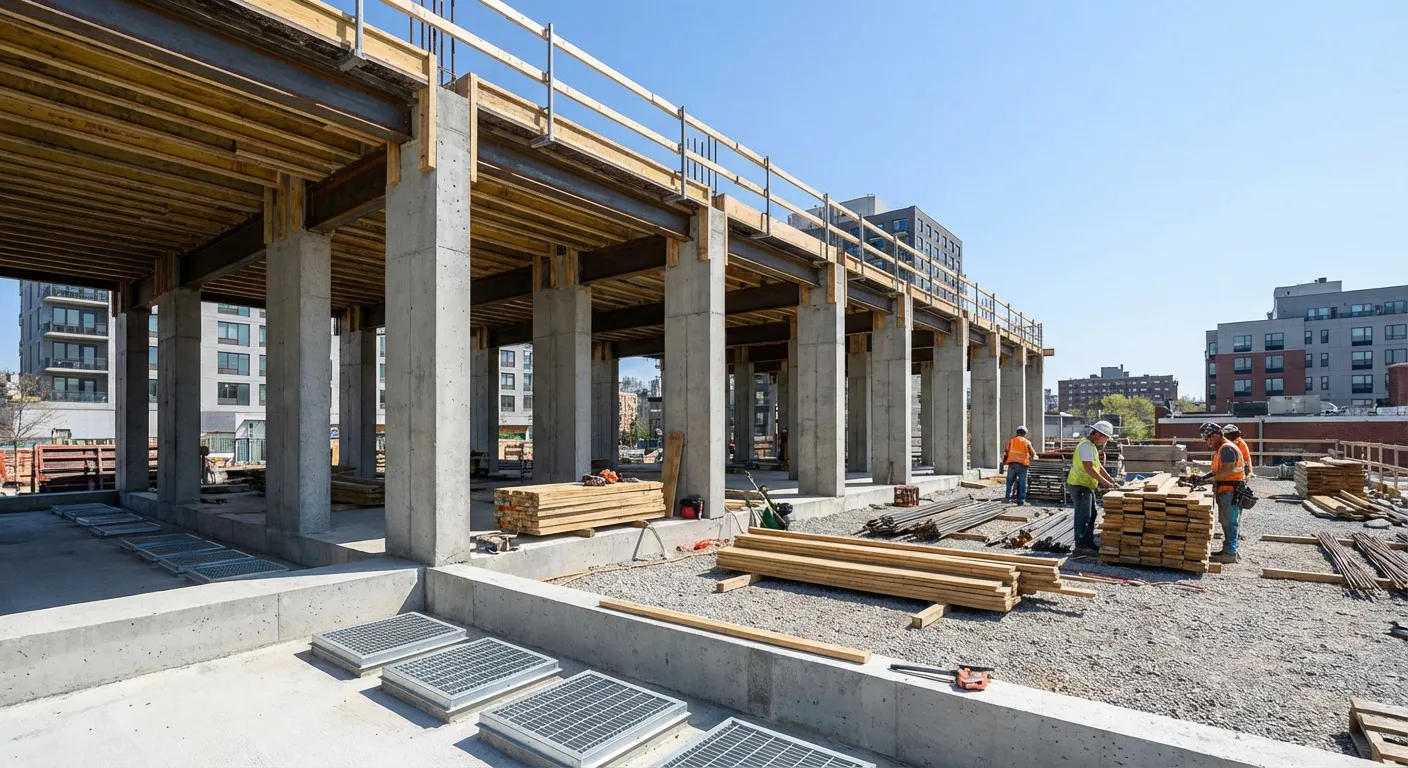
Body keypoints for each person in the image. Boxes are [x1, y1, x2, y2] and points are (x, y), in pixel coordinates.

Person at [1193, 421, 1246, 563]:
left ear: (1217, 435)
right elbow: (1218, 470)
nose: (1208, 442)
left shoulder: (1227, 448)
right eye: (1206, 439)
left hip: (1230, 490)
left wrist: (1207, 481)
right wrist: (1204, 477)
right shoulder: (1222, 449)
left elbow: (1227, 470)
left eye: (1210, 438)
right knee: (1226, 521)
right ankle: (1229, 550)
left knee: (1229, 522)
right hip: (1226, 490)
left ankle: (1230, 553)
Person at [1067, 420, 1120, 554]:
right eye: (1106, 438)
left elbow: (1098, 467)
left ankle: (1087, 542)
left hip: (1084, 485)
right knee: (1084, 515)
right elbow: (1089, 469)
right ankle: (1081, 545)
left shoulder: (1091, 446)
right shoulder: (1086, 446)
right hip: (1079, 485)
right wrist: (1105, 483)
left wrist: (1111, 481)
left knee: (1092, 514)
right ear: (1098, 434)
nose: (1106, 441)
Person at [1002, 426, 1038, 505]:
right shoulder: (1027, 442)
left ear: (1017, 432)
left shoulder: (1011, 441)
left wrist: (1003, 462)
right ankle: (1021, 501)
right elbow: (1033, 453)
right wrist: (1034, 457)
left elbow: (1006, 452)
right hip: (1022, 465)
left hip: (1012, 465)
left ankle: (1007, 499)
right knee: (1022, 483)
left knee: (1009, 483)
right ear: (1024, 433)